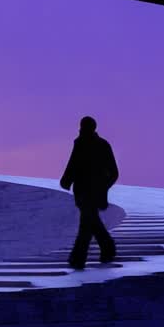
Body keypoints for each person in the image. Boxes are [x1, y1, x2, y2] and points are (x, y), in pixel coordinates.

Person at [59, 115, 118, 269]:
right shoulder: (93, 144)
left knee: (86, 224)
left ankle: (78, 258)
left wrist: (66, 180)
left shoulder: (86, 144)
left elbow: (73, 164)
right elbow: (73, 164)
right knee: (91, 221)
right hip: (87, 192)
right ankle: (107, 248)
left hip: (88, 192)